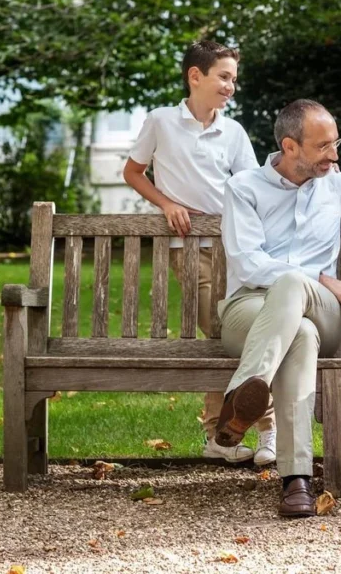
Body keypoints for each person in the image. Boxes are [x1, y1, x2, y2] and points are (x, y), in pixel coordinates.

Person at [215, 98, 341, 518]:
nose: (335, 154)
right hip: (250, 309)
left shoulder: (335, 180)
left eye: (336, 142)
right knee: (299, 334)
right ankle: (296, 481)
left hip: (323, 313)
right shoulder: (243, 188)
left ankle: (239, 398)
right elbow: (248, 262)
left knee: (300, 302)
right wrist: (322, 278)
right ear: (290, 147)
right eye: (324, 146)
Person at [122, 40, 276, 465]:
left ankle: (261, 432)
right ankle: (229, 433)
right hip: (189, 250)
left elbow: (252, 186)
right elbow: (133, 172)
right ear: (196, 76)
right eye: (224, 77)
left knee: (246, 331)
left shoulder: (233, 131)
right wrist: (167, 203)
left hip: (237, 249)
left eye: (233, 79)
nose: (231, 87)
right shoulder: (161, 122)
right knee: (223, 333)